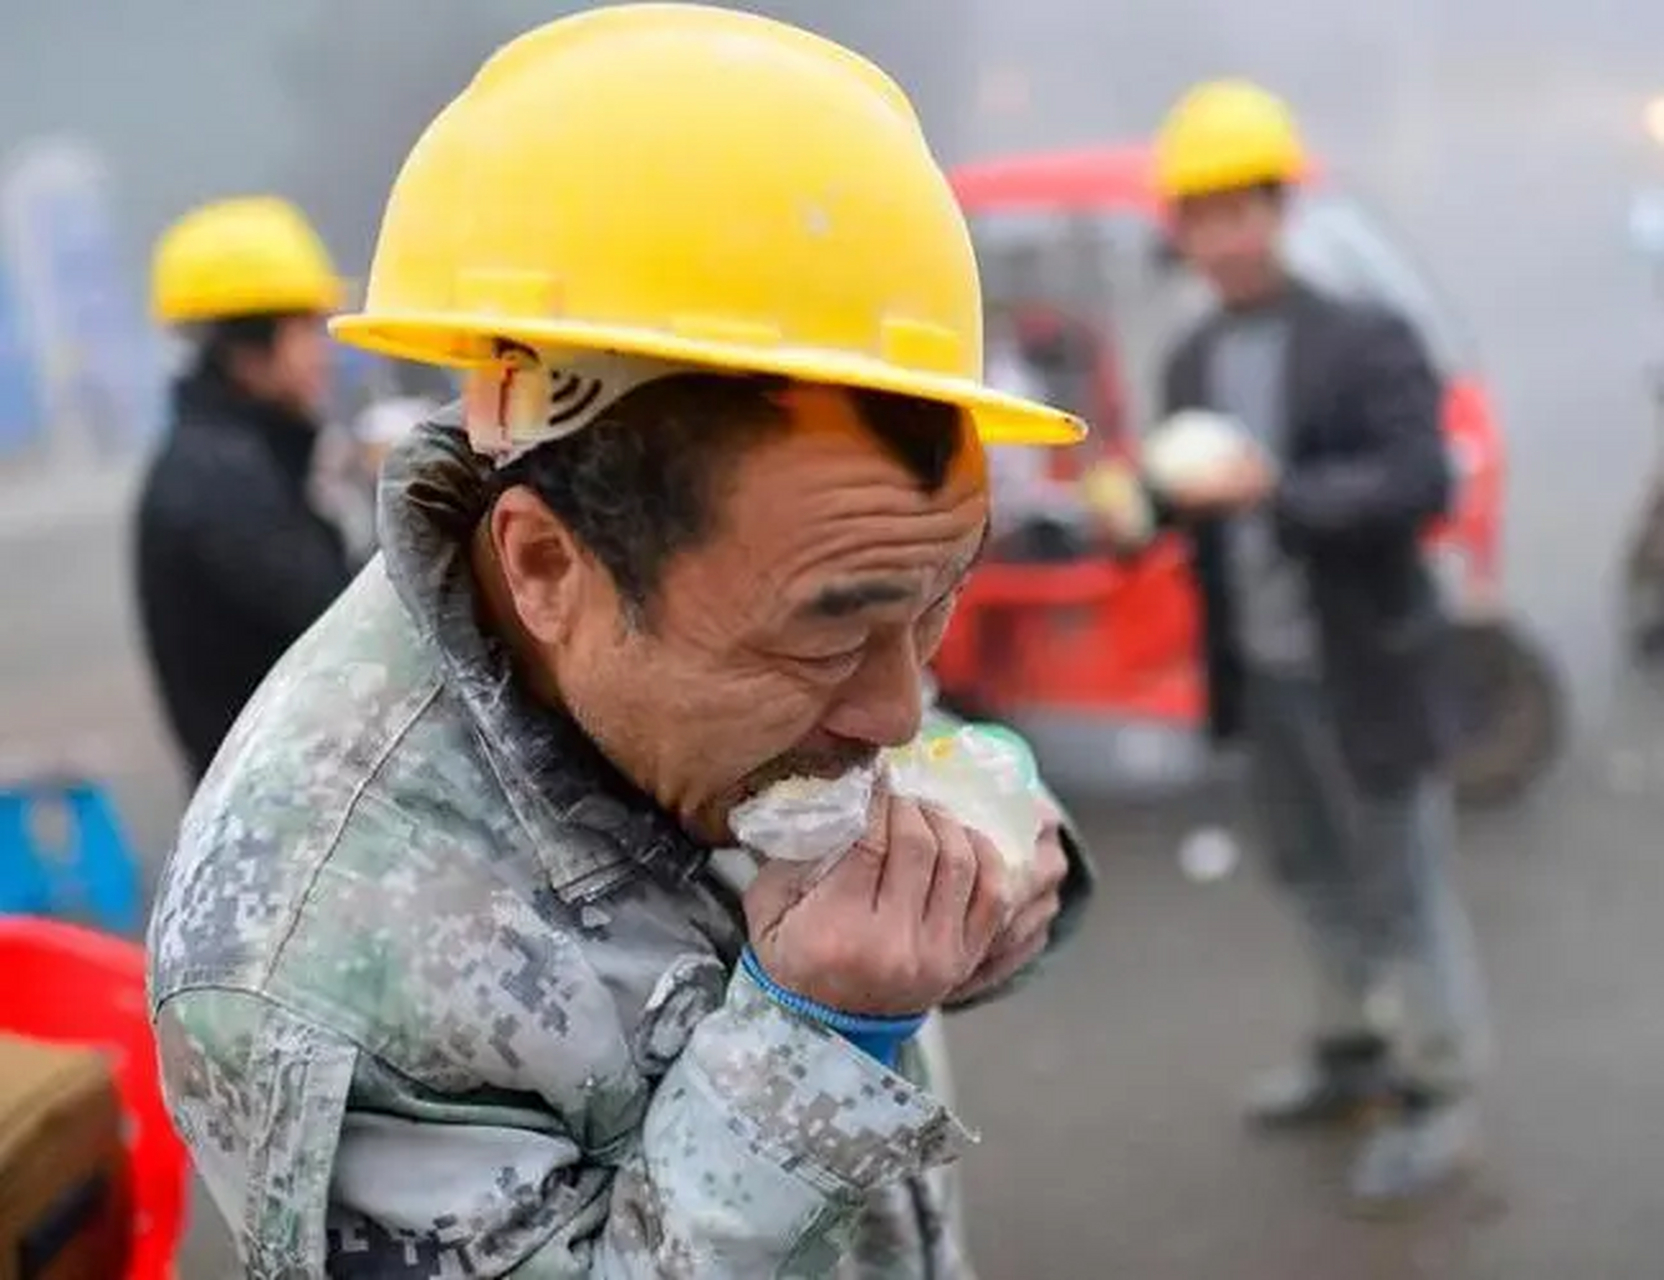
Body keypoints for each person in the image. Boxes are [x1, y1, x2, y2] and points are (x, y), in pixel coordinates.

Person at [147, 8, 1094, 1276]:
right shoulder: (309, 965)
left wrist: (990, 851)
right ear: (547, 566)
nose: (894, 712)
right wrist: (815, 1039)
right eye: (828, 635)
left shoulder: (758, 609)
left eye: (931, 606)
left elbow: (875, 705)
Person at [1142, 80, 1490, 1205]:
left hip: (1365, 670)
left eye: (1240, 211)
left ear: (1278, 211)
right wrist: (1136, 506)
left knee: (1404, 888)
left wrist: (1275, 490)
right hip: (1264, 679)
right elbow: (1182, 501)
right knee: (1313, 877)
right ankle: (1352, 1054)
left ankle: (1439, 1093)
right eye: (1202, 217)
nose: (1223, 238)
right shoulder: (1191, 359)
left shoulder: (1362, 338)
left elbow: (1419, 483)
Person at [134, 196, 355, 782]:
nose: (324, 353)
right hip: (289, 806)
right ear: (250, 345)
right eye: (306, 329)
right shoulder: (223, 484)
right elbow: (347, 628)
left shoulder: (234, 459)